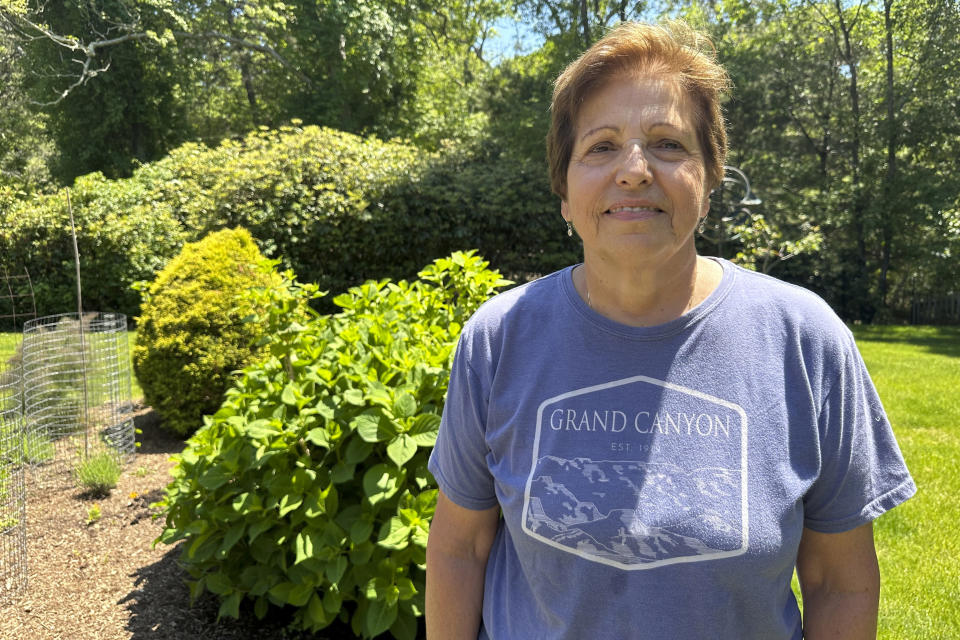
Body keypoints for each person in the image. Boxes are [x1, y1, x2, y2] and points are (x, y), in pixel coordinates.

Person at [425, 20, 915, 640]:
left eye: (668, 144)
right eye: (601, 146)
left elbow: (838, 581)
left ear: (709, 184)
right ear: (565, 193)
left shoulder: (805, 340)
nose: (634, 170)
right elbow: (458, 550)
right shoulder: (498, 340)